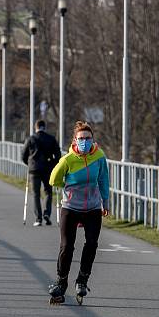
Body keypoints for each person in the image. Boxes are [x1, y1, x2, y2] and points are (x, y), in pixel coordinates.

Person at [47, 121, 109, 304]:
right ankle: (61, 282)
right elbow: (53, 179)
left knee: (91, 243)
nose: (84, 142)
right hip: (71, 207)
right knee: (67, 246)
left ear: (93, 139)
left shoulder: (99, 156)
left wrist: (105, 202)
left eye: (88, 138)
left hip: (92, 207)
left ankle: (82, 280)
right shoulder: (68, 159)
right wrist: (68, 187)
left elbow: (104, 180)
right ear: (75, 140)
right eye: (81, 139)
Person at [21, 119, 61, 226]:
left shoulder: (30, 139)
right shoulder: (51, 139)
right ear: (45, 127)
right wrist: (53, 163)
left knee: (36, 194)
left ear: (36, 127)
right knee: (48, 192)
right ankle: (46, 213)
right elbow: (58, 155)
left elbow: (23, 155)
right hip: (48, 169)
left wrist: (29, 164)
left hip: (34, 170)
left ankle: (38, 218)